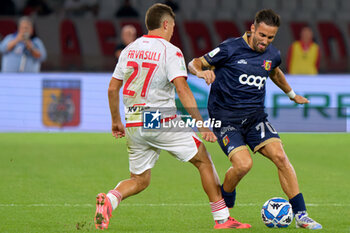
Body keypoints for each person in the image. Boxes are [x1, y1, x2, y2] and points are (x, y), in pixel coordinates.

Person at [94, 3, 251, 230]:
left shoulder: (129, 49)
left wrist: (115, 121)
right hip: (157, 118)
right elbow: (183, 90)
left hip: (134, 122)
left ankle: (110, 200)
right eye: (173, 26)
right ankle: (222, 219)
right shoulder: (171, 51)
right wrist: (201, 125)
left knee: (140, 180)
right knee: (203, 160)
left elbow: (111, 89)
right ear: (166, 24)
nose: (173, 30)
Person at [188, 9, 322, 230]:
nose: (265, 41)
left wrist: (291, 94)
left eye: (270, 37)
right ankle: (226, 199)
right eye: (262, 35)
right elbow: (195, 62)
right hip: (226, 120)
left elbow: (275, 72)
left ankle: (301, 216)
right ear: (252, 28)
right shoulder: (229, 48)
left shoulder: (271, 54)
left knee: (280, 156)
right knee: (243, 165)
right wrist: (201, 73)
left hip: (255, 118)